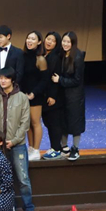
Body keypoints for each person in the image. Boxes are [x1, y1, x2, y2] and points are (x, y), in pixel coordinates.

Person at [0, 67, 34, 211]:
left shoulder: (22, 98)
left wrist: (13, 141)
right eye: (1, 78)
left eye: (6, 78)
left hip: (17, 144)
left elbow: (25, 122)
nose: (3, 81)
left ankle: (29, 208)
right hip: (0, 146)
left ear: (12, 80)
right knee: (3, 180)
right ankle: (9, 208)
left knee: (23, 178)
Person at [52, 31, 85, 161]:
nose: (65, 44)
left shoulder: (78, 56)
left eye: (68, 42)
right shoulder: (61, 54)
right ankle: (63, 147)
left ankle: (75, 149)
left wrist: (60, 80)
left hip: (74, 96)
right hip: (63, 94)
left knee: (75, 122)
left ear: (73, 43)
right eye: (64, 41)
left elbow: (77, 80)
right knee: (63, 121)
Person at [20, 31, 49, 161]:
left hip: (35, 95)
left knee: (35, 122)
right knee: (27, 123)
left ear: (39, 42)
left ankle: (36, 149)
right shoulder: (22, 56)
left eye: (33, 39)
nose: (29, 41)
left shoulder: (40, 59)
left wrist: (33, 93)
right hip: (23, 94)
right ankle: (30, 148)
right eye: (28, 38)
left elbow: (44, 80)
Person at [42, 31, 65, 160]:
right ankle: (54, 147)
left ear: (57, 44)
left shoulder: (56, 57)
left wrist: (53, 96)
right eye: (48, 39)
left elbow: (55, 78)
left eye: (52, 40)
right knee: (49, 123)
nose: (49, 42)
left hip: (53, 97)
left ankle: (56, 149)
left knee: (54, 123)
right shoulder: (44, 55)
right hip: (44, 96)